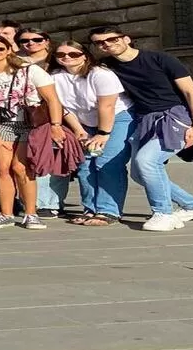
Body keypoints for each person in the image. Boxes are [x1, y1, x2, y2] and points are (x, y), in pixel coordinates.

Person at [88, 26, 193, 232]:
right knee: (140, 173)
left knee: (146, 162)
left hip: (175, 116)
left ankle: (163, 214)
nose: (107, 44)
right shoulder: (107, 67)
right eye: (100, 42)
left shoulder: (161, 59)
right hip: (145, 119)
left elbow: (191, 92)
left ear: (127, 38)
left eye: (112, 39)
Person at [0, 33, 65, 230]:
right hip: (3, 124)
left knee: (21, 167)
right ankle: (6, 214)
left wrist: (56, 125)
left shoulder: (29, 70)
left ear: (9, 50)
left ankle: (30, 213)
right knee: (1, 167)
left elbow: (53, 99)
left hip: (30, 121)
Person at [52, 39, 133, 227]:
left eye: (73, 54)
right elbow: (62, 107)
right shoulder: (56, 77)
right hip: (84, 123)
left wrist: (103, 134)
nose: (67, 57)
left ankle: (108, 210)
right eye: (61, 54)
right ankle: (90, 209)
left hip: (116, 118)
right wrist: (79, 131)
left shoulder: (100, 74)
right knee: (85, 165)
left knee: (106, 163)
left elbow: (108, 106)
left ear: (85, 55)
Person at [16, 27, 65, 218]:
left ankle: (50, 203)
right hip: (30, 115)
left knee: (54, 159)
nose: (31, 44)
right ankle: (30, 201)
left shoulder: (58, 59)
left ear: (47, 41)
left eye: (37, 39)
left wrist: (57, 124)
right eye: (25, 41)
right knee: (31, 159)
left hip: (58, 115)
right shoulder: (16, 62)